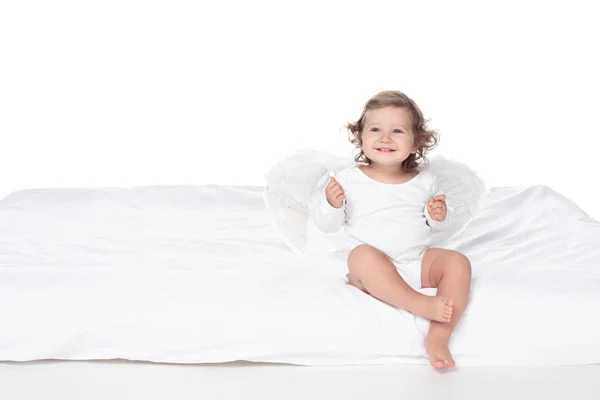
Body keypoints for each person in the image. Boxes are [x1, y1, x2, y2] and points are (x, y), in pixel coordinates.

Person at [311, 90, 472, 369]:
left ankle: (438, 337)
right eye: (375, 129)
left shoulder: (426, 180)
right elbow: (327, 225)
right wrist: (331, 204)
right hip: (372, 269)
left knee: (457, 262)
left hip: (415, 261)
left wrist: (438, 216)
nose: (385, 138)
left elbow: (436, 227)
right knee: (360, 255)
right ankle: (418, 303)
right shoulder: (349, 178)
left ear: (415, 144)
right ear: (361, 138)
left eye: (397, 131)